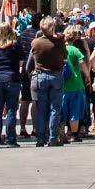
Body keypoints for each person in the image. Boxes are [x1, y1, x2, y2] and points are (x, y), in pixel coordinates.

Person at [30, 17, 67, 147]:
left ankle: (40, 138)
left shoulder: (35, 42)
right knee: (55, 109)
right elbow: (65, 56)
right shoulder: (59, 42)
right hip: (55, 75)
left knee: (41, 108)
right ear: (52, 28)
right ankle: (53, 137)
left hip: (40, 75)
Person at [0, 23, 23, 147]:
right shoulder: (15, 46)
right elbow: (21, 62)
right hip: (12, 78)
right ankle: (10, 139)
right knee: (11, 110)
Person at [61, 25, 91, 141]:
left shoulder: (61, 49)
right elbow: (82, 63)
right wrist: (87, 76)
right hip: (76, 83)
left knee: (63, 110)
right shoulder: (75, 50)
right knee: (75, 110)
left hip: (63, 84)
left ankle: (62, 134)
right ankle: (74, 134)